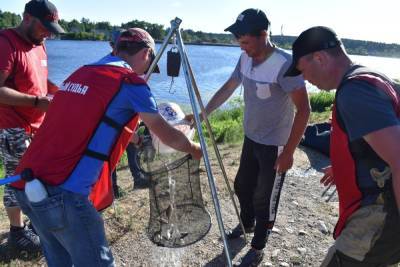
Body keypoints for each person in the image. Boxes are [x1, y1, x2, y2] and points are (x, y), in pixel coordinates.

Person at [10, 27, 202, 266]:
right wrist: (194, 149)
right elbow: (167, 135)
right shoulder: (130, 83)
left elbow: (92, 119)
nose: (147, 72)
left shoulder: (81, 73)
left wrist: (133, 138)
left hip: (26, 183)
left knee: (61, 260)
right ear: (145, 53)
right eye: (151, 62)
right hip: (63, 193)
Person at [187, 8, 310, 266]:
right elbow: (229, 87)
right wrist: (202, 114)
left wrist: (288, 151)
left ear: (263, 34)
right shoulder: (244, 58)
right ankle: (247, 223)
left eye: (244, 41)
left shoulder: (286, 65)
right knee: (242, 185)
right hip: (251, 137)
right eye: (238, 41)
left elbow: (305, 110)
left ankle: (258, 247)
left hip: (276, 145)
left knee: (265, 197)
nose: (240, 47)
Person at [285, 26, 400, 266]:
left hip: (379, 214)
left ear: (320, 58)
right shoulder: (371, 77)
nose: (304, 79)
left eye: (303, 71)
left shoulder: (355, 93)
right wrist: (346, 165)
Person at [0, 0, 64, 252]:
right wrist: (39, 102)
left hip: (37, 126)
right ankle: (17, 232)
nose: (48, 33)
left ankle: (33, 222)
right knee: (18, 179)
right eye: (44, 27)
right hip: (13, 127)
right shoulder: (5, 43)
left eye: (52, 28)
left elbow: (38, 76)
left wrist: (59, 91)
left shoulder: (39, 44)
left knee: (39, 177)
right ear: (27, 18)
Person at [109, 29, 149, 196]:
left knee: (132, 149)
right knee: (111, 153)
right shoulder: (110, 65)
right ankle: (112, 188)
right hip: (116, 119)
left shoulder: (134, 60)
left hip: (132, 114)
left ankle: (138, 177)